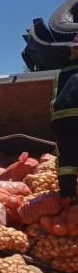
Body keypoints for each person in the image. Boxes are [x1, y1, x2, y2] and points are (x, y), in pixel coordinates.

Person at [51, 64, 78, 199]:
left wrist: (55, 120)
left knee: (66, 160)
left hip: (62, 118)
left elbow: (53, 99)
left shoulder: (60, 73)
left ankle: (67, 197)